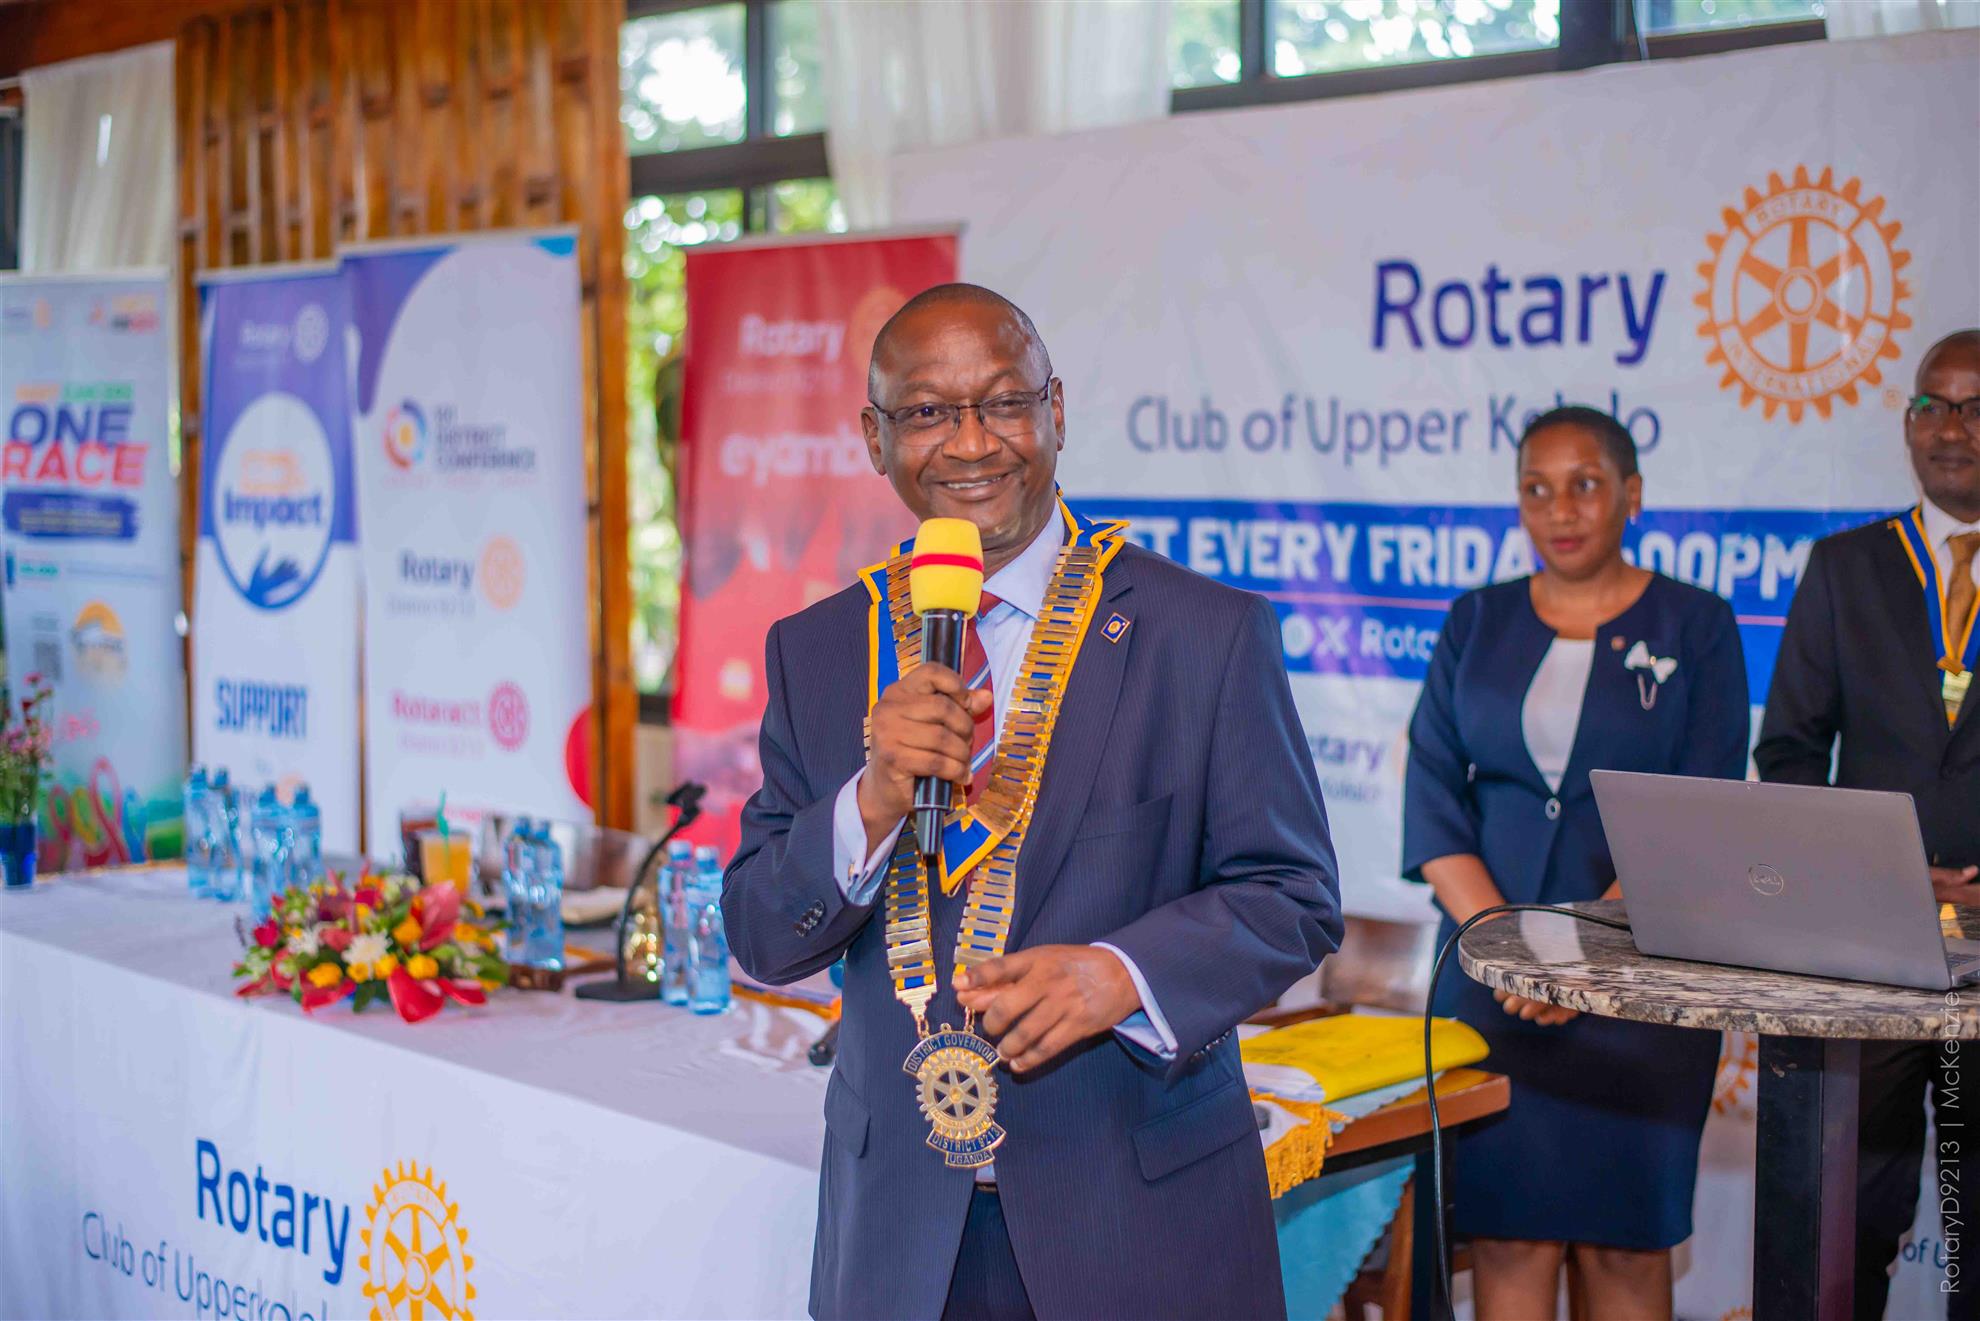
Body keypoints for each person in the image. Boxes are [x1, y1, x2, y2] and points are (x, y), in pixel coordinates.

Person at [721, 283, 1342, 1321]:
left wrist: (1122, 975)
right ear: (874, 439)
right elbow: (759, 932)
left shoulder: (1202, 633)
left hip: (1135, 1224)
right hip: (899, 1235)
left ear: (1055, 409)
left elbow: (1293, 897)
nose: (972, 442)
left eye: (1004, 401)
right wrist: (870, 802)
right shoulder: (820, 650)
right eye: (928, 411)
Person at [1402, 405, 1749, 1320]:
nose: (1560, 508)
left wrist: (1583, 956)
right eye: (1537, 488)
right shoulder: (1475, 619)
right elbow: (1432, 798)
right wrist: (1513, 951)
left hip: (1639, 985)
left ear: (1632, 495)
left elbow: (1700, 807)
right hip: (1491, 984)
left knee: (1625, 1249)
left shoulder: (1699, 624)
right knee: (1508, 1237)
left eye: (1585, 484)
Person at [1756, 327, 1980, 1320]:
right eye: (1931, 404)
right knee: (1847, 1232)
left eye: (1975, 405)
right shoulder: (1845, 566)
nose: (1950, 427)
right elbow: (1789, 751)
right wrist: (1874, 867)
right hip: (1872, 952)